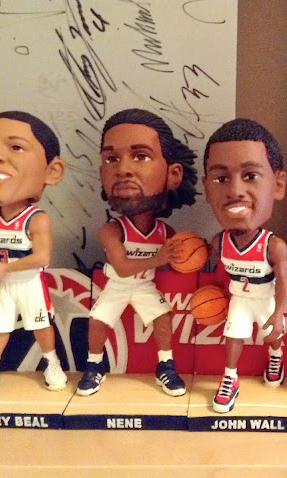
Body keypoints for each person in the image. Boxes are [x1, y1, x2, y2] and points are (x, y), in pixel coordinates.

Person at [76, 108, 198, 397]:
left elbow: (179, 262)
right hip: (118, 285)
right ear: (101, 174)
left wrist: (194, 255)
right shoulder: (112, 230)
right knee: (97, 321)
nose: (123, 170)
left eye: (141, 156)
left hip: (144, 286)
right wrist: (160, 259)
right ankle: (94, 366)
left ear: (173, 175)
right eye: (111, 159)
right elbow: (121, 267)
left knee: (163, 317)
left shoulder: (165, 232)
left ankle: (166, 366)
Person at [0, 111, 67, 403]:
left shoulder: (36, 219)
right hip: (0, 283)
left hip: (28, 282)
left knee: (40, 325)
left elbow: (42, 258)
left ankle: (51, 362)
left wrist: (3, 268)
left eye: (15, 146)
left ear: (52, 171)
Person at [202, 118, 287, 413]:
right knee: (233, 337)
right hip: (239, 298)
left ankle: (275, 358)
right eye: (221, 179)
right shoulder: (219, 242)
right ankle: (230, 378)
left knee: (274, 336)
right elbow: (212, 271)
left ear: (278, 185)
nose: (235, 190)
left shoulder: (273, 245)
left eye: (250, 175)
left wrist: (279, 312)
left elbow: (285, 282)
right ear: (207, 188)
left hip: (265, 297)